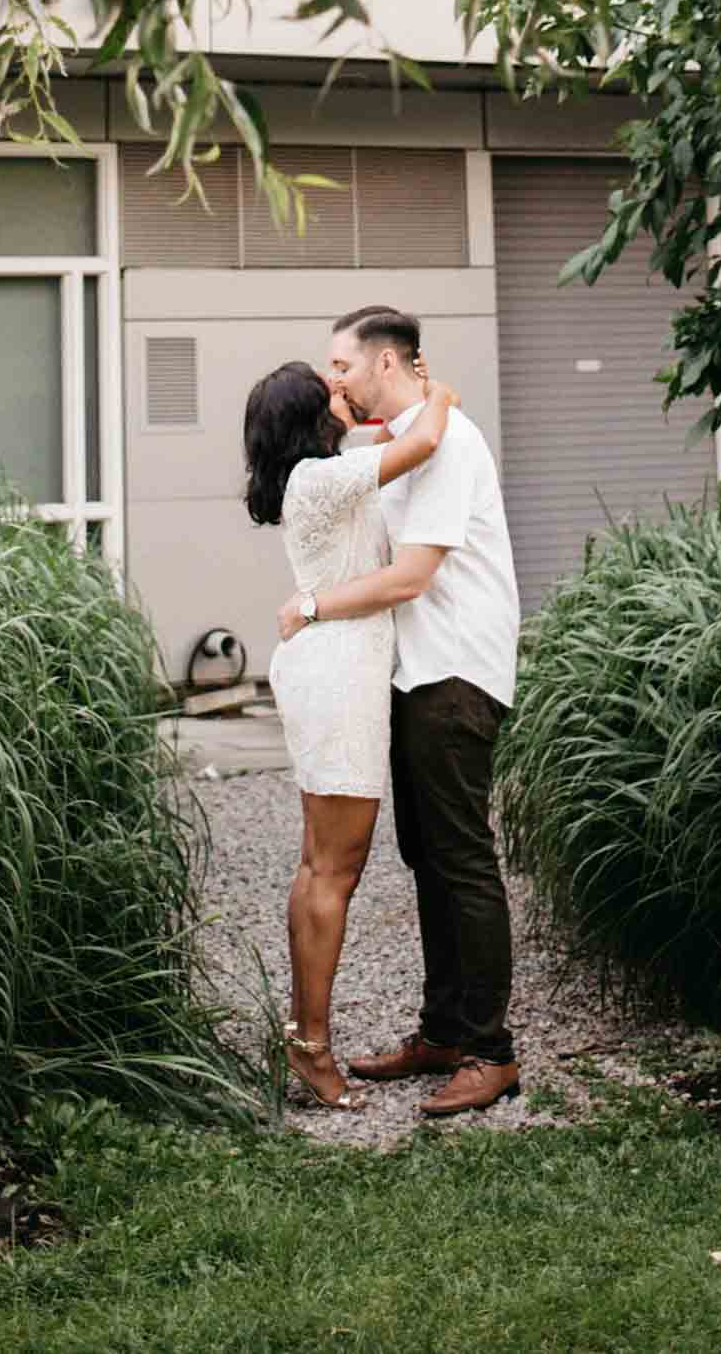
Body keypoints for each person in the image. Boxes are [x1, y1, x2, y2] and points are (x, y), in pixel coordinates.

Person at [275, 300, 524, 1119]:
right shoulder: (395, 444)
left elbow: (413, 576)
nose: (334, 380)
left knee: (461, 858)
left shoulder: (448, 441)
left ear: (387, 363)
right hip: (413, 676)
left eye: (342, 365)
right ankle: (445, 1029)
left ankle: (491, 1050)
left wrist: (311, 606)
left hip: (454, 672)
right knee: (428, 859)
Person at [243, 354, 459, 1110]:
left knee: (316, 867)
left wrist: (387, 392)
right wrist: (439, 390)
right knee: (335, 871)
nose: (345, 391)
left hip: (325, 667)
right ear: (309, 416)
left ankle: (303, 1036)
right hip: (338, 677)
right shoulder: (323, 478)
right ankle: (313, 1049)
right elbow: (422, 442)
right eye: (329, 389)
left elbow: (380, 428)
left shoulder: (318, 477)